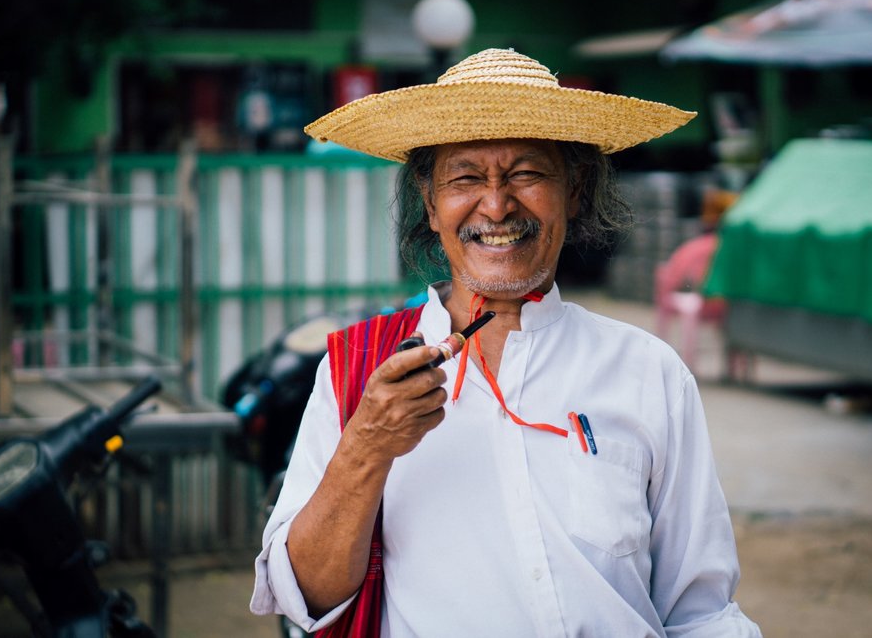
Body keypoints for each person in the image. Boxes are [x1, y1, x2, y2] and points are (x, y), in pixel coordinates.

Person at [251, 48, 761, 637]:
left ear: (573, 191)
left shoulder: (649, 372)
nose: (496, 205)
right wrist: (366, 449)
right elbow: (304, 598)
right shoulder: (357, 371)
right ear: (430, 202)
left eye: (526, 174)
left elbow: (701, 613)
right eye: (466, 176)